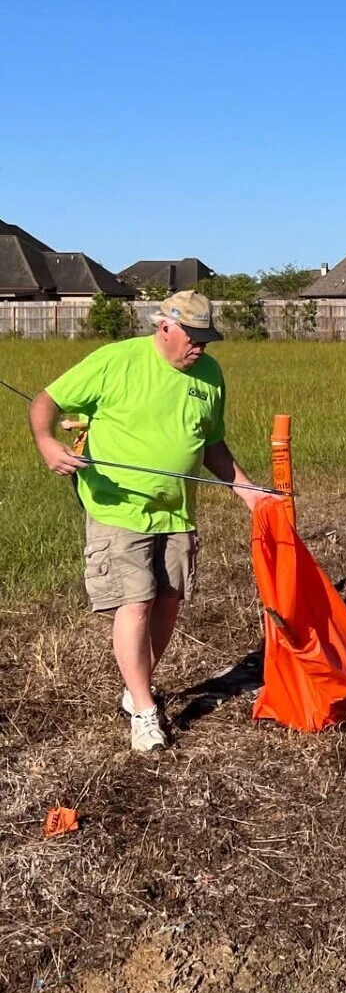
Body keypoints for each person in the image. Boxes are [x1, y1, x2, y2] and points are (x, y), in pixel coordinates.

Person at [29, 291, 265, 754]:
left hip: (176, 508)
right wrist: (46, 442)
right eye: (192, 338)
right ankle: (143, 709)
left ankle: (135, 687)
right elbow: (45, 403)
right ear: (165, 328)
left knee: (168, 601)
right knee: (135, 603)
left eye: (206, 340)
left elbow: (212, 445)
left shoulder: (210, 375)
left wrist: (248, 491)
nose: (200, 348)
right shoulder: (115, 361)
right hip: (117, 505)